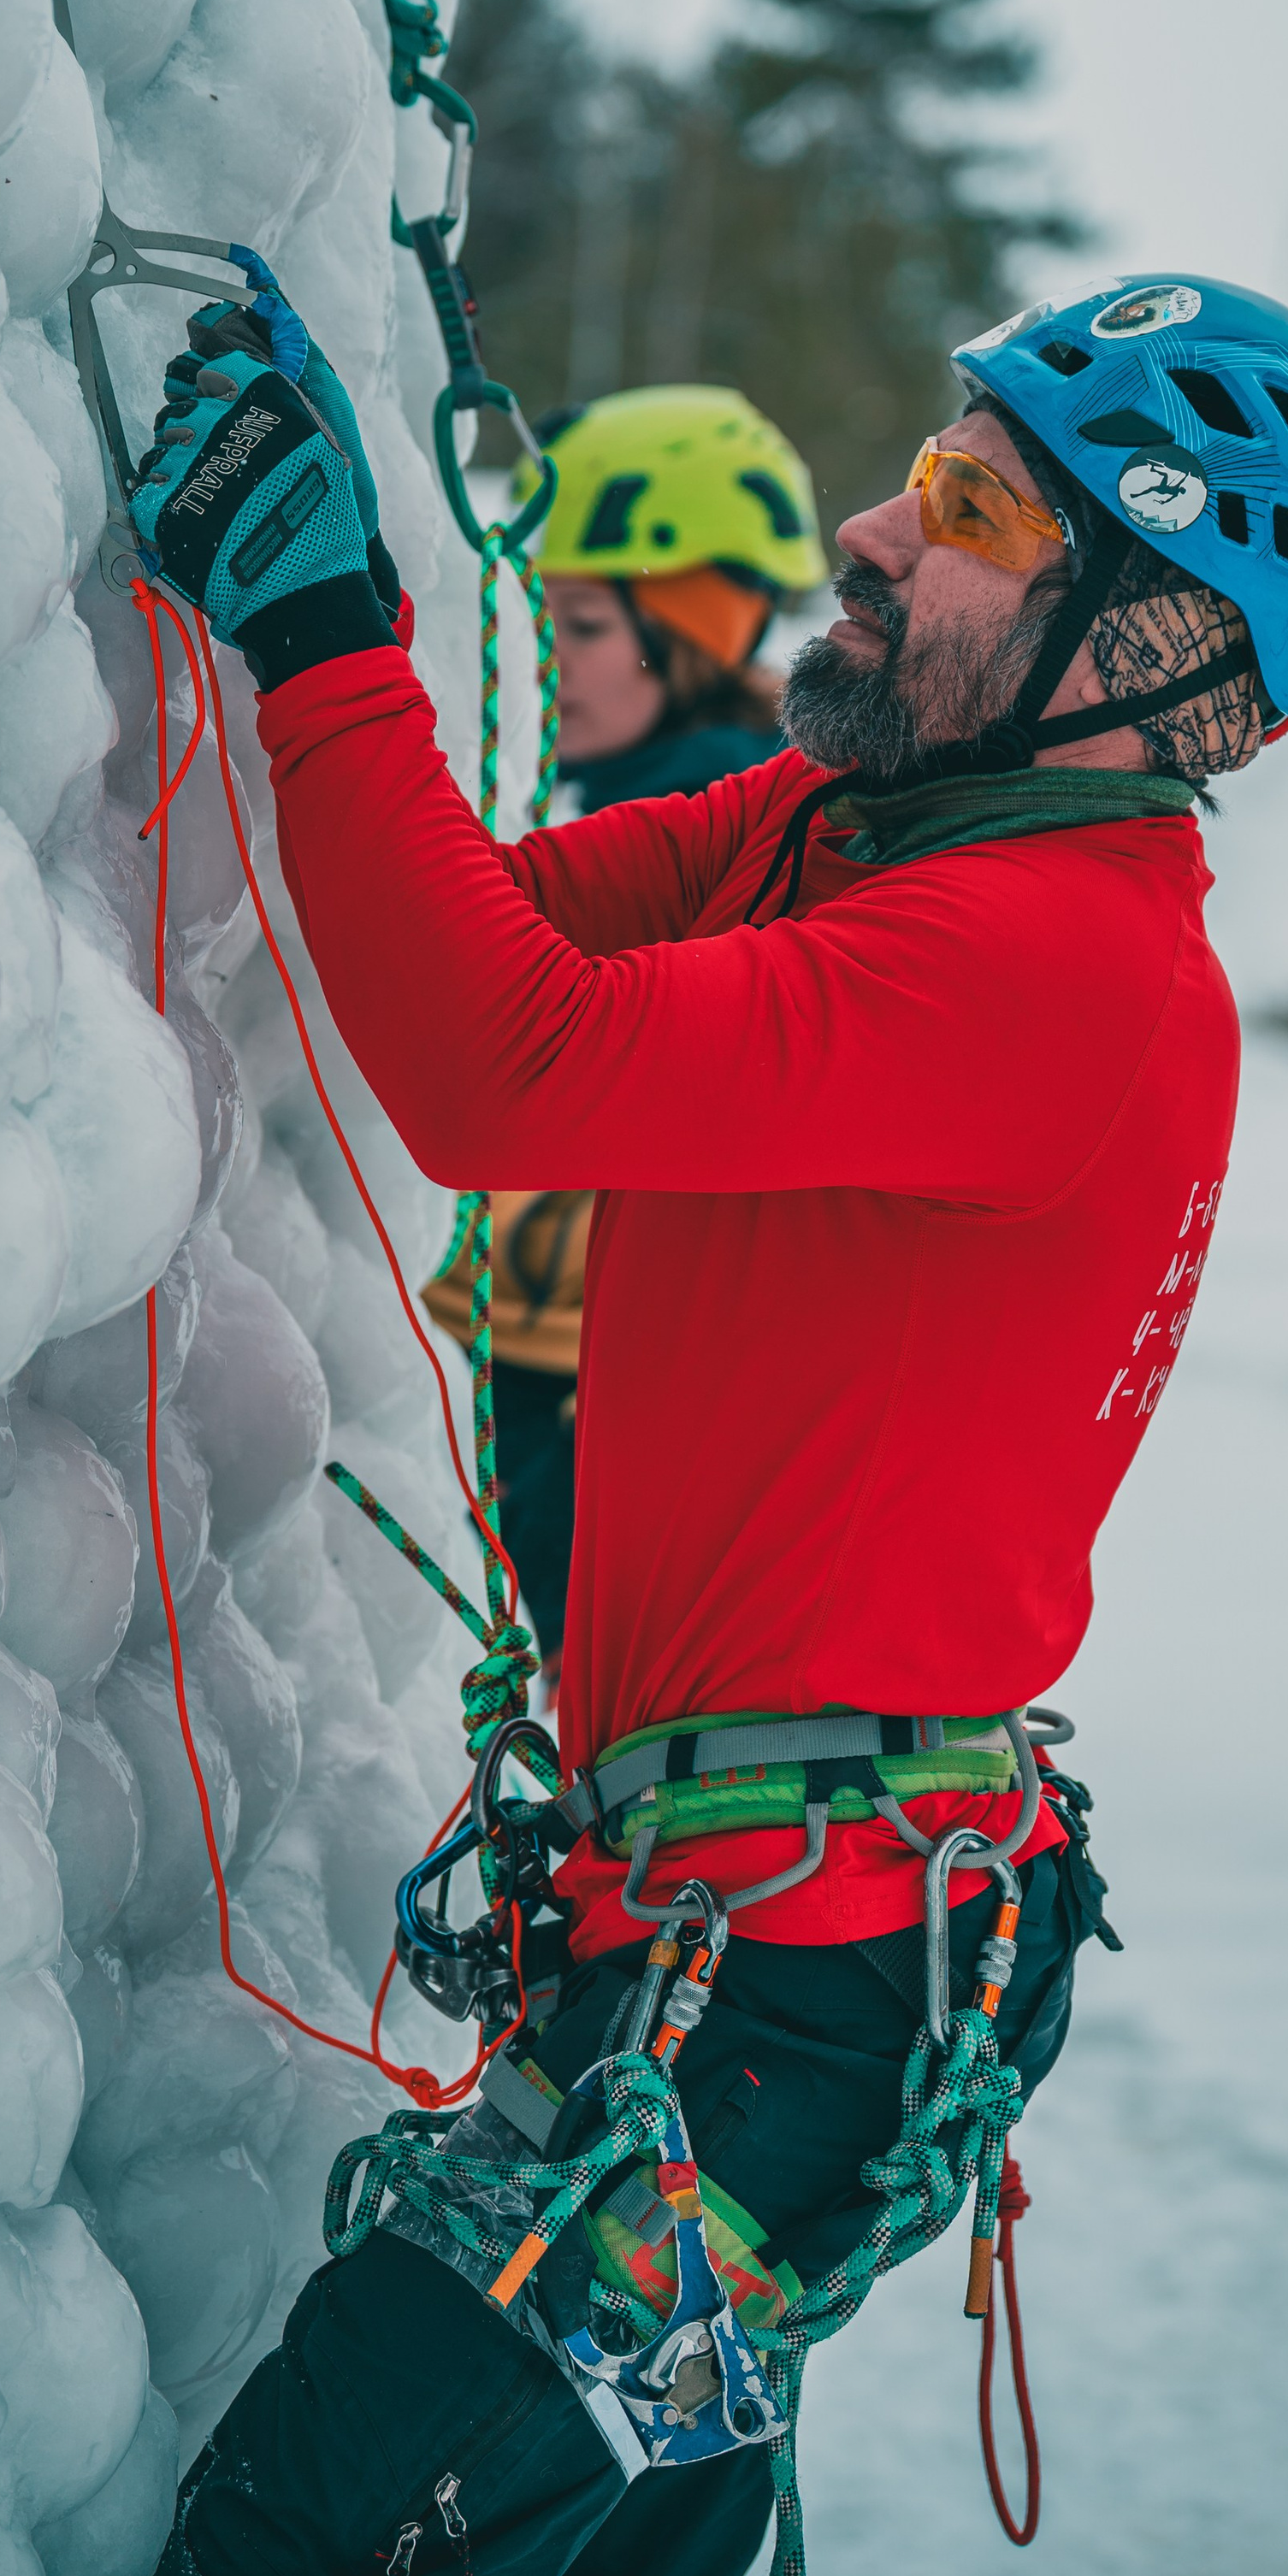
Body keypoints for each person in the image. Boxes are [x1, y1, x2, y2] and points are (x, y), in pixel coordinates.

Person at [125, 271, 1288, 2576]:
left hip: (783, 1998)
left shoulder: (1062, 960)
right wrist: (324, 654)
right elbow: (486, 937)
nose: (865, 529)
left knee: (314, 2548)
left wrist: (331, 627)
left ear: (1153, 648)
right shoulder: (860, 827)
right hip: (758, 1963)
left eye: (968, 506)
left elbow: (491, 1070)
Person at [421, 386, 829, 1685]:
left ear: (693, 631)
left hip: (603, 1370)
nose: (544, 650)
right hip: (597, 1352)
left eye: (584, 623)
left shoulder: (703, 813)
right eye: (539, 612)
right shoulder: (694, 788)